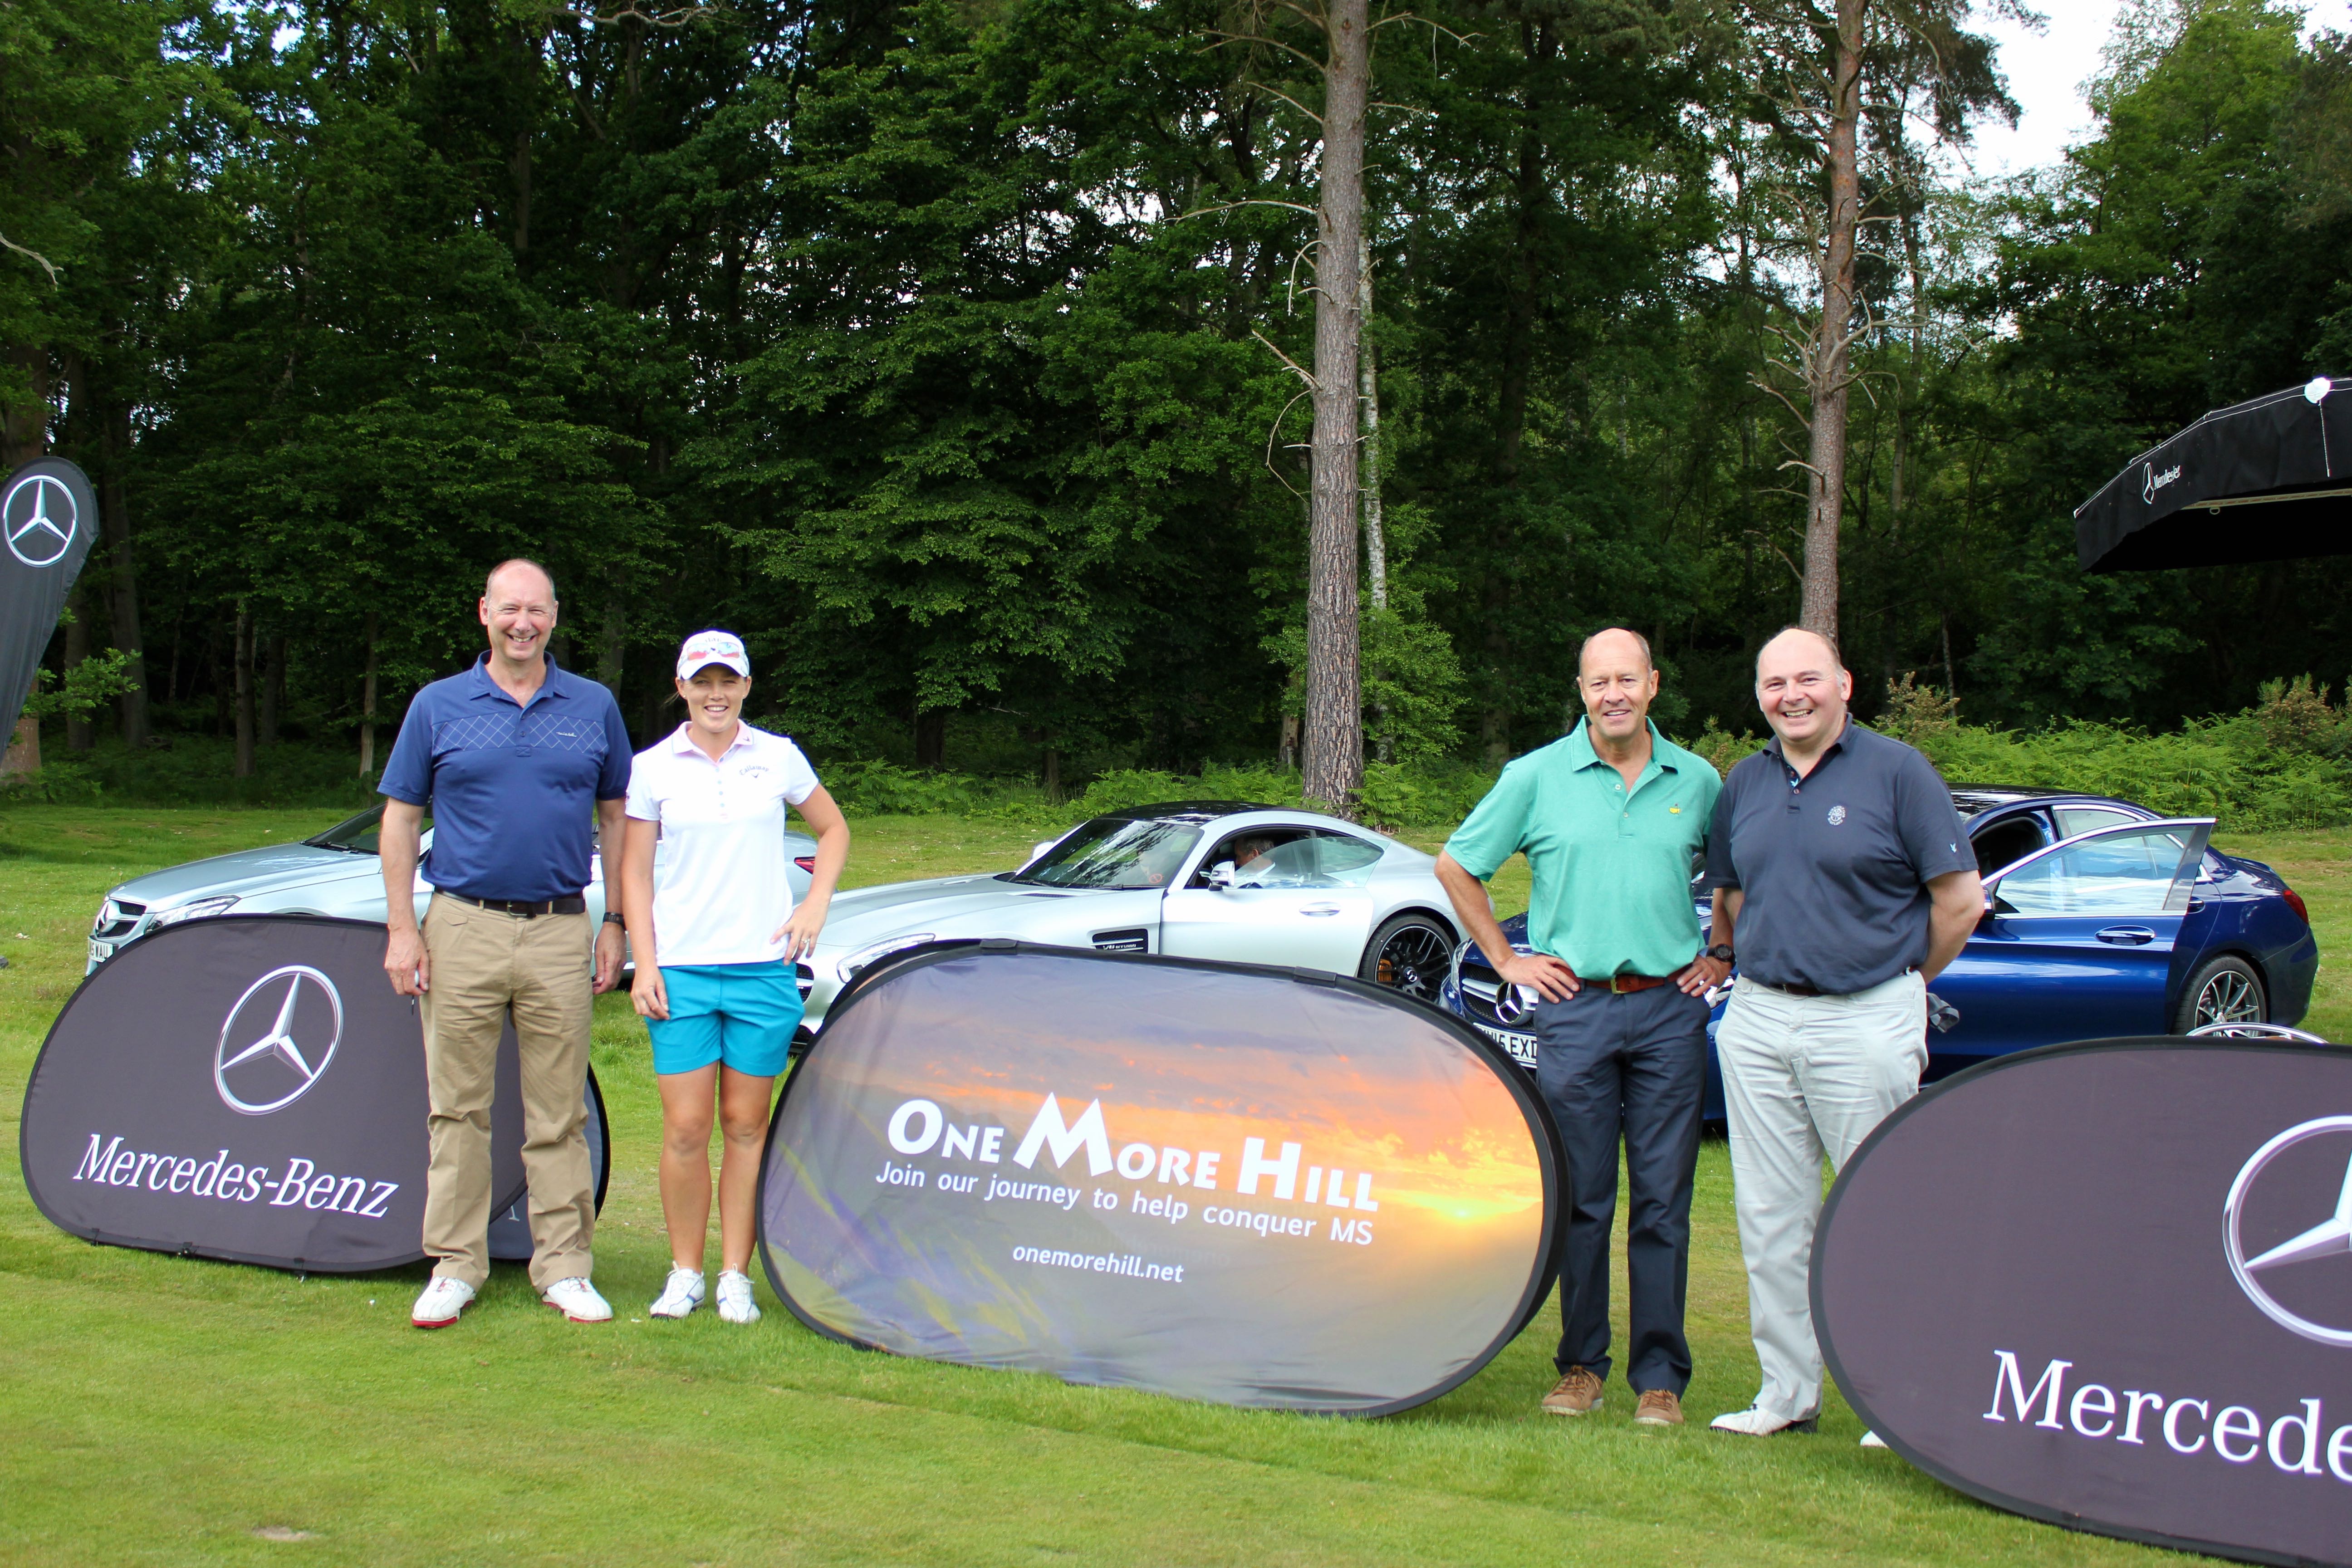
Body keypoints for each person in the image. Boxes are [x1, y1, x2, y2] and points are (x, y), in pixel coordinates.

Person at [1435, 628, 1726, 1428]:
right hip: (1577, 1010)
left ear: (1654, 685)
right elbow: (1457, 865)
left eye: (1627, 680)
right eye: (1599, 683)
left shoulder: (1698, 780)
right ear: (1582, 691)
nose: (1613, 695)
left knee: (1663, 1202)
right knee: (1584, 1199)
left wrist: (1722, 952)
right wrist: (1507, 960)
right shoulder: (1535, 777)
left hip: (1668, 1010)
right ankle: (1580, 1367)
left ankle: (1660, 1379)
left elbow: (1737, 876)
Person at [1703, 627, 1982, 1440]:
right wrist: (1735, 954)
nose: (1791, 696)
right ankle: (1786, 1395)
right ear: (1759, 695)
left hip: (1864, 1016)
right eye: (1774, 683)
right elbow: (1731, 893)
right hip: (1759, 1017)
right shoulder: (1745, 781)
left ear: (1845, 684)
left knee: (1879, 1212)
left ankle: (1893, 1397)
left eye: (1808, 679)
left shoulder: (1899, 771)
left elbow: (1960, 901)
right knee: (1771, 1218)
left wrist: (1905, 980)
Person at [380, 559, 633, 1330]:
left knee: (558, 1113)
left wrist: (615, 922)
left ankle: (565, 1268)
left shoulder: (592, 705)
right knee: (458, 1109)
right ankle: (455, 1266)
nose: (523, 623)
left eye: (538, 610)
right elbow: (400, 819)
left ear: (555, 617)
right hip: (462, 925)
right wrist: (402, 929)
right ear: (484, 613)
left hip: (561, 927)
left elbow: (617, 817)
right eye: (510, 609)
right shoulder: (438, 705)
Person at [619, 631, 849, 1325]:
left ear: (746, 686)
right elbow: (634, 872)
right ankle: (685, 1273)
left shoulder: (777, 756)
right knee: (687, 1128)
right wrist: (645, 962)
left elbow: (833, 830)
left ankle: (734, 1277)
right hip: (681, 972)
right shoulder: (652, 767)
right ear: (682, 688)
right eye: (702, 682)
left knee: (747, 1125)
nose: (715, 694)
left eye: (728, 681)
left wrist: (815, 903)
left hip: (761, 969)